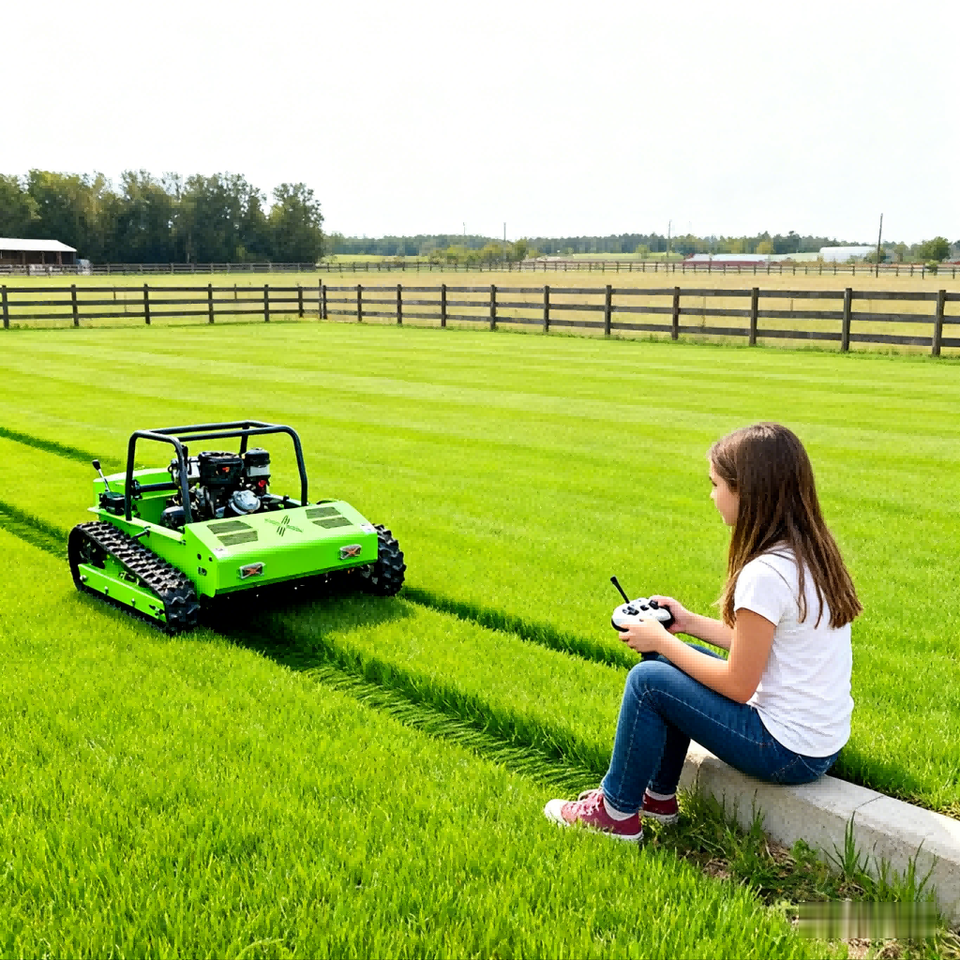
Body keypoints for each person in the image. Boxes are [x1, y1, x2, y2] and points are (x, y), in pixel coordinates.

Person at [544, 422, 861, 842]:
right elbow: (760, 645)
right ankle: (658, 797)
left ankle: (615, 813)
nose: (711, 496)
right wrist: (687, 623)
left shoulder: (764, 574)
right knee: (666, 662)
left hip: (785, 752)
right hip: (818, 742)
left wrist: (662, 640)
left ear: (746, 492)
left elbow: (738, 685)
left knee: (648, 679)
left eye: (716, 484)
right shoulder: (808, 553)